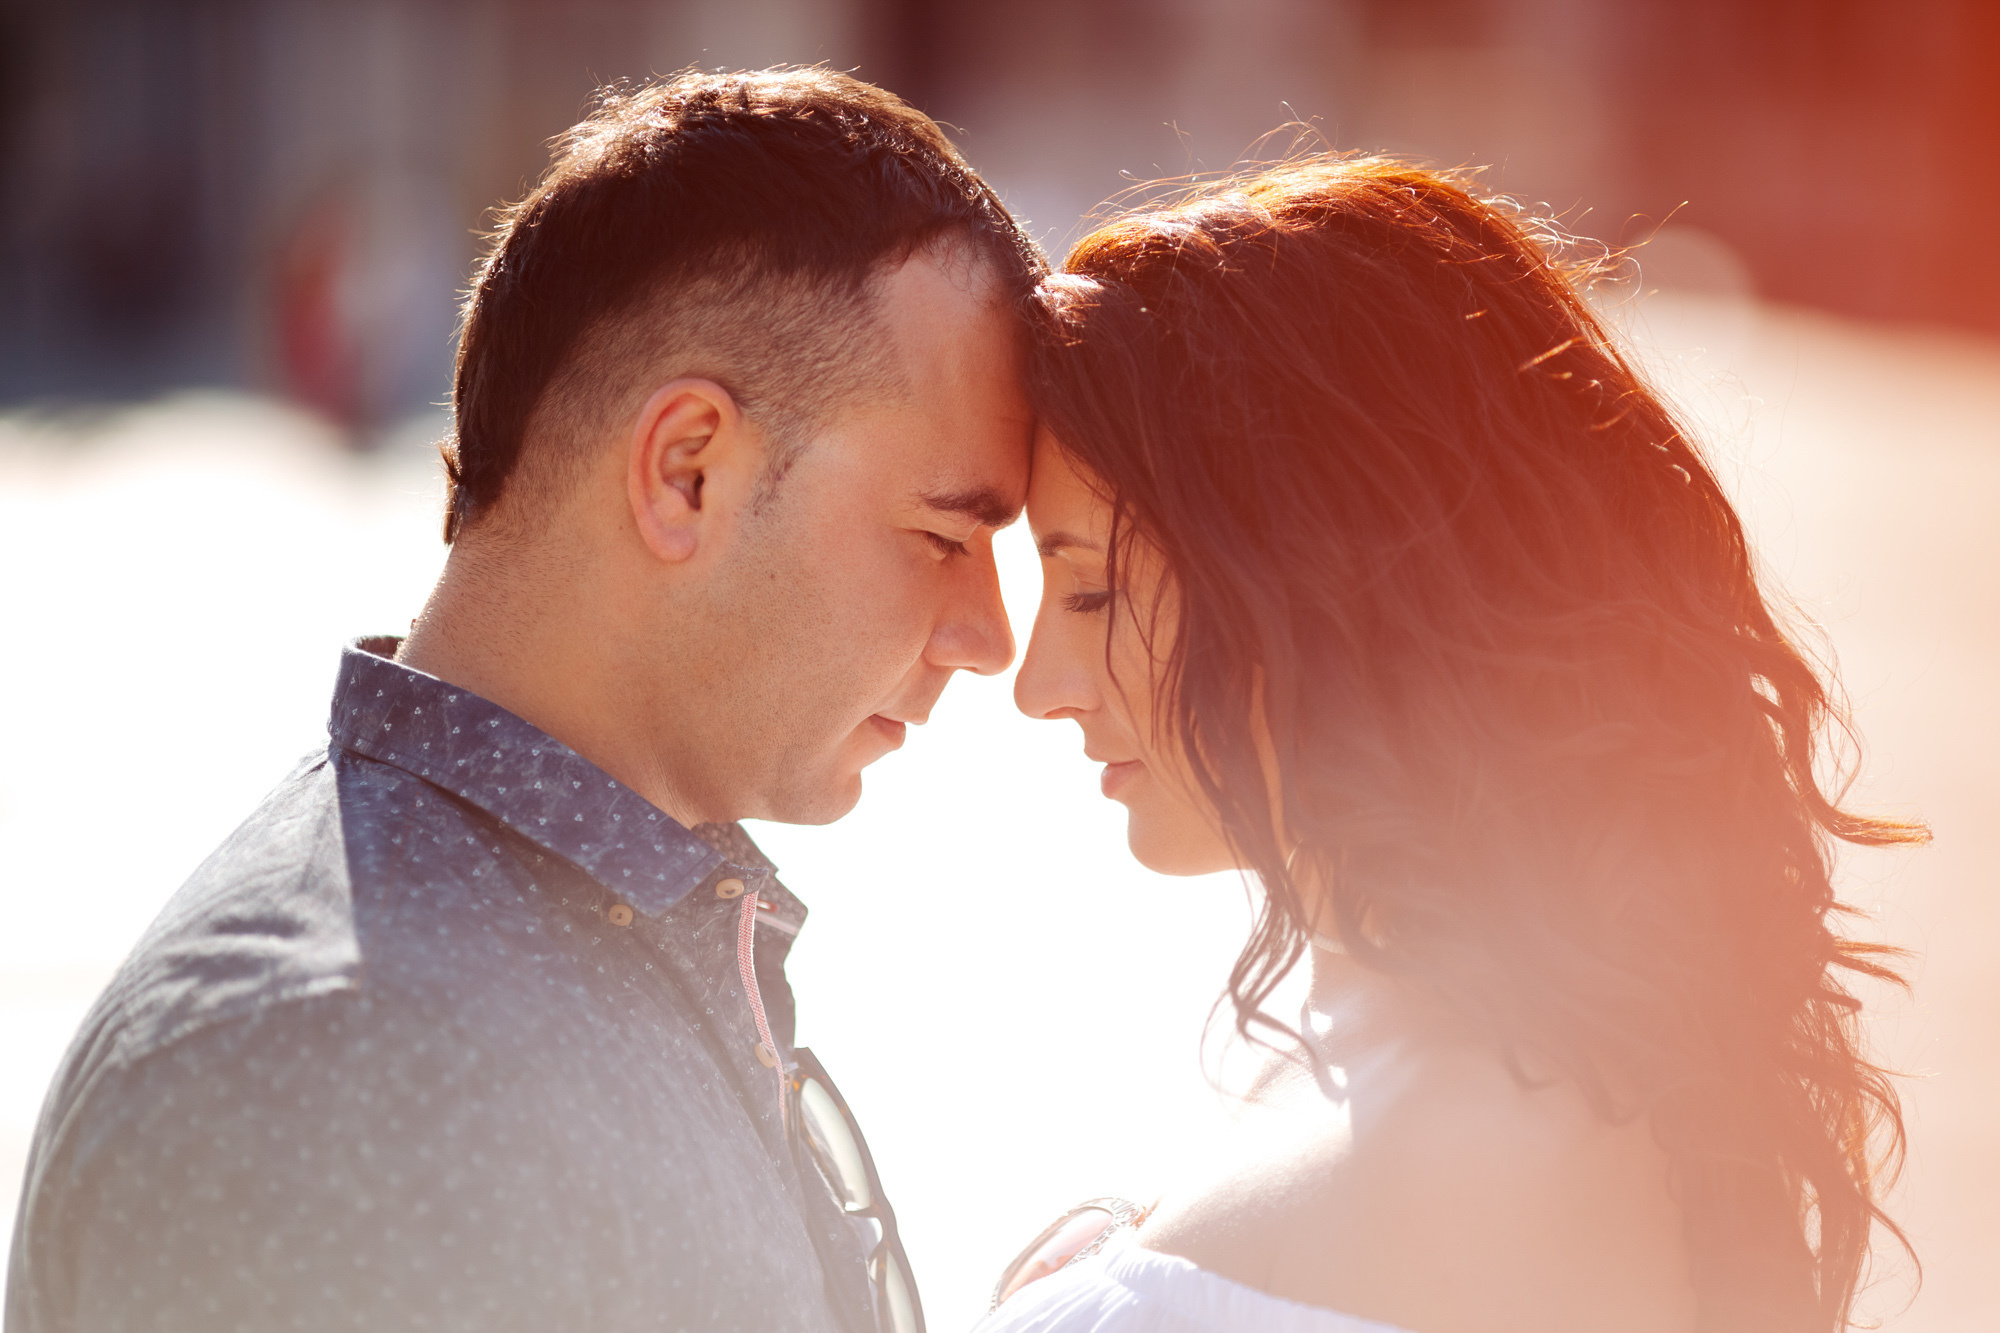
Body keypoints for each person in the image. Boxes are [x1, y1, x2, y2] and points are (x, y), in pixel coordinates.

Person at [8, 68, 1040, 1333]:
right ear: (688, 472)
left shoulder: (543, 953)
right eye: (944, 534)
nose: (990, 636)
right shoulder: (353, 1068)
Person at [983, 156, 1920, 1333]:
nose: (1037, 687)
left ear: (1318, 573)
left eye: (1090, 592)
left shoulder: (1495, 1153)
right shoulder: (1372, 1031)